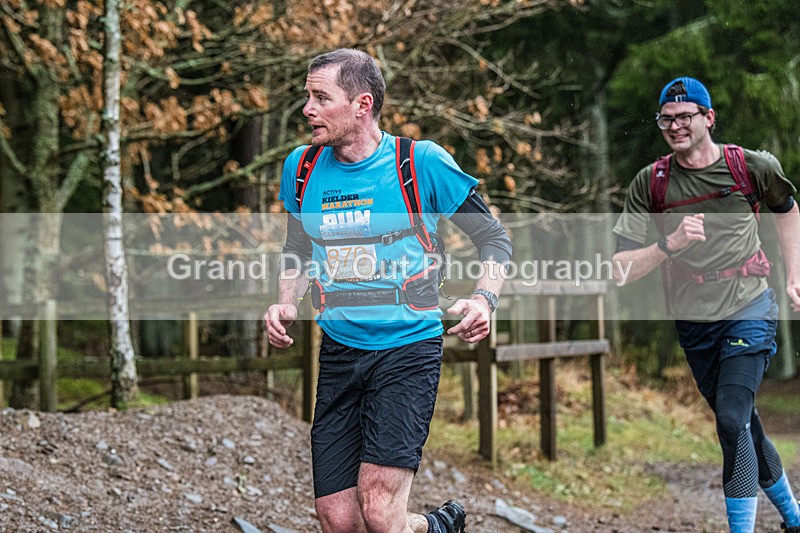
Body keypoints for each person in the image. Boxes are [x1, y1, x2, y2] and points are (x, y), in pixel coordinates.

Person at [264, 48, 512, 533]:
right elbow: (297, 246)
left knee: (378, 508)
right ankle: (432, 527)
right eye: (306, 96)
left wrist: (485, 298)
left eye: (320, 97)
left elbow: (494, 238)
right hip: (339, 352)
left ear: (361, 104)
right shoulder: (301, 168)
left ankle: (423, 526)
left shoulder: (419, 163)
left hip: (407, 350)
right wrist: (285, 302)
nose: (307, 109)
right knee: (338, 518)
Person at [612, 76, 800, 532]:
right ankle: (794, 518)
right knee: (745, 425)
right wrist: (668, 246)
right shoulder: (651, 183)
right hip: (694, 322)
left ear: (708, 118)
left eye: (684, 117)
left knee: (733, 419)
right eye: (666, 119)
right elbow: (619, 268)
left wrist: (795, 273)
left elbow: (788, 209)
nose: (674, 126)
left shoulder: (749, 167)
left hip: (749, 304)